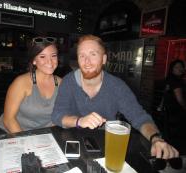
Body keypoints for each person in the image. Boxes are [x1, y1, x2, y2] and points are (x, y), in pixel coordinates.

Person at [51, 34, 179, 159]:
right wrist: (80, 121)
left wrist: (155, 138)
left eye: (93, 54)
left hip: (107, 144)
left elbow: (139, 117)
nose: (87, 61)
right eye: (82, 55)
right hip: (74, 141)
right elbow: (57, 115)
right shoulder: (69, 81)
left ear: (104, 59)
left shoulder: (116, 86)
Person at [0, 36, 61, 133]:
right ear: (34, 60)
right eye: (42, 56)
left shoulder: (62, 84)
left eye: (53, 55)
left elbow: (59, 117)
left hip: (40, 137)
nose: (49, 61)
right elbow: (8, 120)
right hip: (10, 132)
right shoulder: (21, 83)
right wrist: (26, 141)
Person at [163, 59, 186, 152]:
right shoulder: (176, 81)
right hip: (176, 115)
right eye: (177, 67)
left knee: (170, 137)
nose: (180, 69)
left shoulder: (170, 79)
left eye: (181, 67)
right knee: (177, 140)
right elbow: (180, 99)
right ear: (172, 69)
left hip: (170, 114)